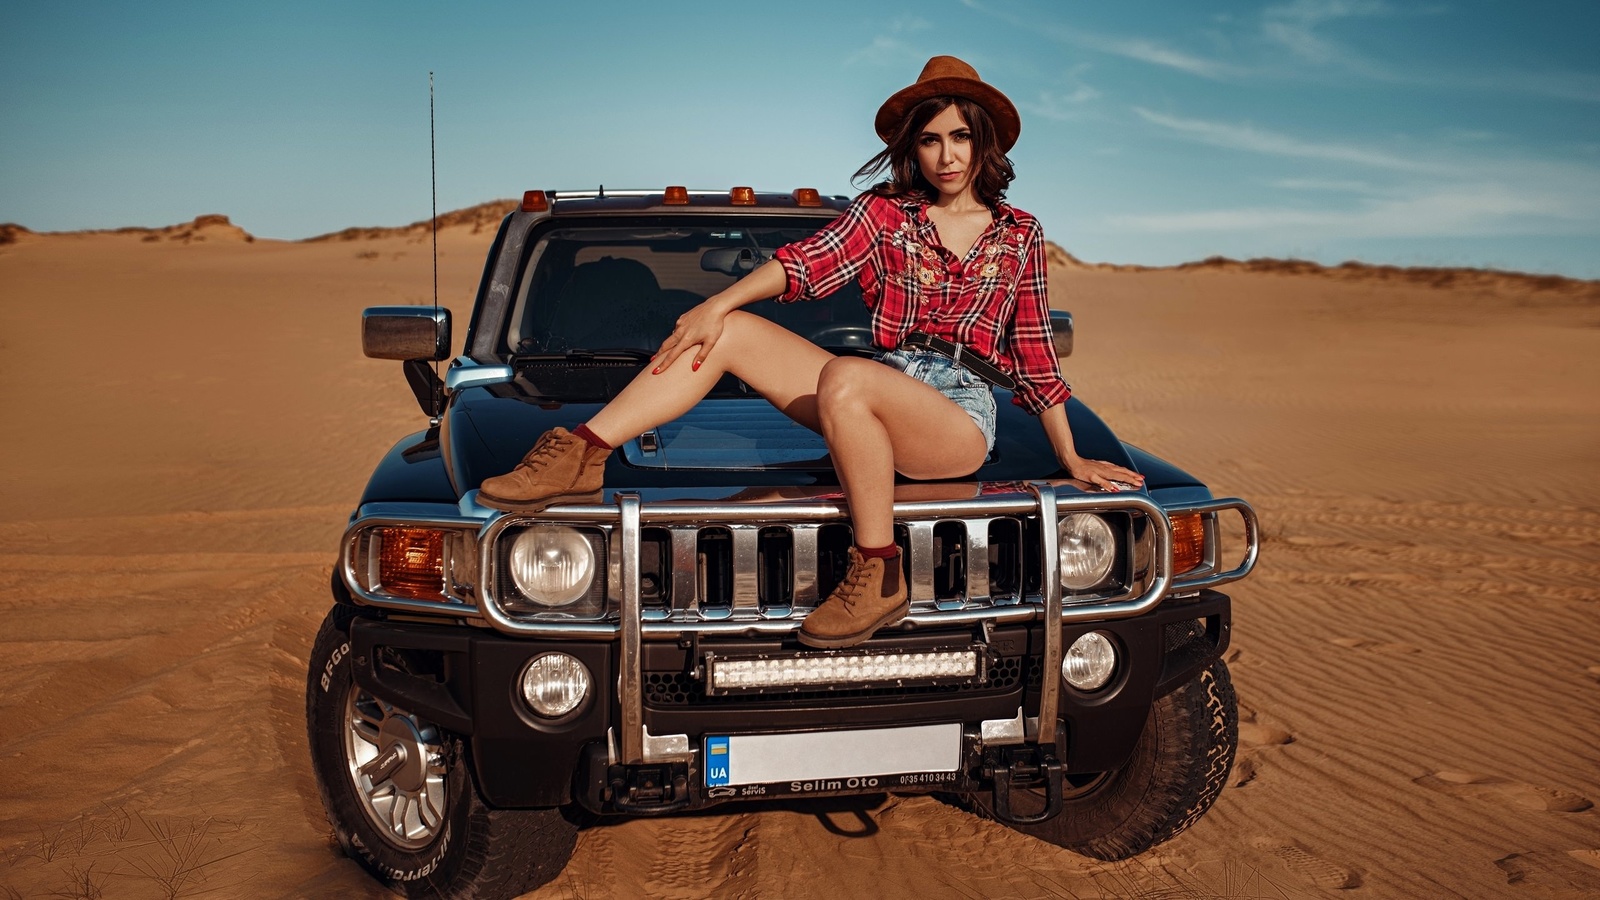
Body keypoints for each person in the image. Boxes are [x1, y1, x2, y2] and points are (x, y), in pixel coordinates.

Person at [478, 55, 1144, 648]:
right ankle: (581, 452)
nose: (947, 155)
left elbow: (1033, 355)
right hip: (877, 386)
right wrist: (716, 303)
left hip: (956, 415)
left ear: (983, 142)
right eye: (932, 138)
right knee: (731, 331)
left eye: (960, 137)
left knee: (851, 378)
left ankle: (879, 570)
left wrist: (1071, 455)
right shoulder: (885, 213)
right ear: (914, 146)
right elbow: (807, 263)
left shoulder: (1019, 234)